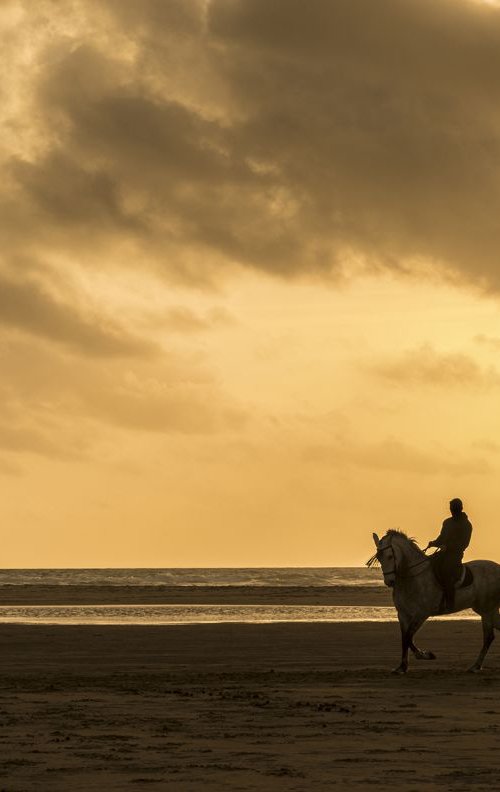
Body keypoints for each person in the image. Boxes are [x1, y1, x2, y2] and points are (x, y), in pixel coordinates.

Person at [427, 498, 472, 612]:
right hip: (443, 552)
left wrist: (448, 547)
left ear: (460, 508)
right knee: (428, 564)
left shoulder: (466, 524)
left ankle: (450, 602)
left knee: (447, 571)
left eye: (454, 508)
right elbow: (441, 538)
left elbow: (464, 543)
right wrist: (433, 543)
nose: (452, 511)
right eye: (451, 509)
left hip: (455, 554)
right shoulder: (447, 522)